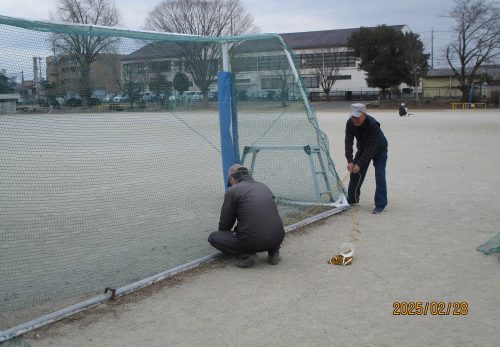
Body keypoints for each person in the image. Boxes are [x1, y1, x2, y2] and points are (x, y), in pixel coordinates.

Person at [208, 164, 285, 268]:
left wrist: (225, 235)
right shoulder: (264, 186)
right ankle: (273, 253)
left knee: (214, 237)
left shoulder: (232, 191)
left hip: (252, 242)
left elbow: (225, 225)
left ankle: (247, 255)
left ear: (232, 179)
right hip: (278, 237)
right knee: (268, 224)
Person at [345, 103, 388, 214]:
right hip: (363, 149)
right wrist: (350, 161)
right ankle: (352, 200)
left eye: (357, 116)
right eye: (353, 116)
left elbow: (370, 149)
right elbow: (348, 143)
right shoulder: (350, 123)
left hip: (379, 149)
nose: (355, 119)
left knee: (380, 175)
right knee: (354, 173)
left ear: (364, 114)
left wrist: (359, 164)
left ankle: (380, 204)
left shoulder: (373, 125)